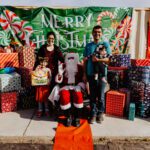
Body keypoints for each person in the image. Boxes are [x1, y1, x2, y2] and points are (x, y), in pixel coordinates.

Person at [83, 25, 111, 124]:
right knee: (92, 95)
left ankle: (100, 113)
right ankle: (93, 113)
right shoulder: (88, 46)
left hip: (102, 75)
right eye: (95, 32)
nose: (97, 34)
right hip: (91, 74)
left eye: (99, 32)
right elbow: (85, 61)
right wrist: (84, 74)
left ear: (101, 33)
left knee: (101, 95)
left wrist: (98, 60)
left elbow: (109, 60)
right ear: (92, 33)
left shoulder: (105, 45)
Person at [34, 31, 64, 116]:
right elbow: (38, 60)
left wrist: (68, 61)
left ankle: (50, 109)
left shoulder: (57, 48)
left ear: (54, 39)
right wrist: (34, 71)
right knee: (42, 92)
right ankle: (41, 109)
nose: (51, 40)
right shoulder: (43, 48)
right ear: (47, 39)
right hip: (43, 73)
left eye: (52, 39)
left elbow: (62, 58)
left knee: (51, 91)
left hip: (53, 73)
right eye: (49, 38)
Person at [55, 52, 84, 127]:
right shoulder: (62, 66)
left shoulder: (80, 67)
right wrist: (60, 74)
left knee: (78, 96)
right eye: (69, 59)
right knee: (64, 96)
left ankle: (77, 117)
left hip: (76, 86)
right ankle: (68, 117)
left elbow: (83, 79)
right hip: (66, 86)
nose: (71, 61)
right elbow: (58, 80)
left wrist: (80, 86)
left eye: (73, 59)